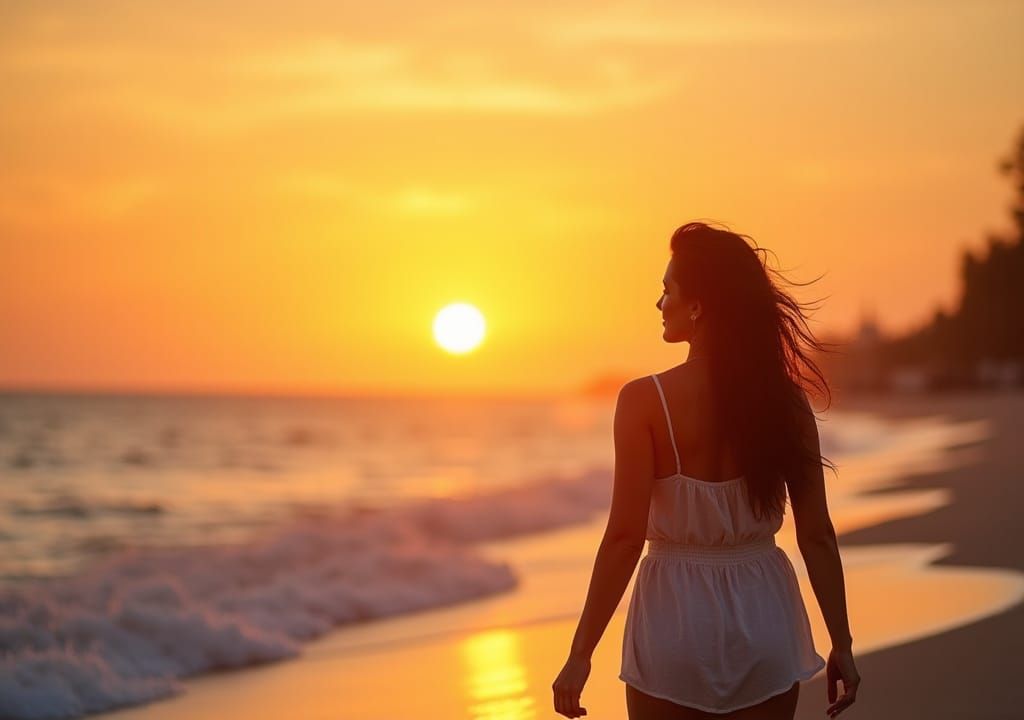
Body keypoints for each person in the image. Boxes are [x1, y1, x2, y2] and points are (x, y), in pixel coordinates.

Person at [552, 221, 861, 719]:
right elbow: (817, 534)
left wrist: (580, 654)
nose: (659, 303)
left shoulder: (642, 402)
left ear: (698, 305)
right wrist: (841, 641)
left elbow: (624, 539)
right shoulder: (785, 402)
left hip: (673, 629)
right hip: (766, 623)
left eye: (667, 289)